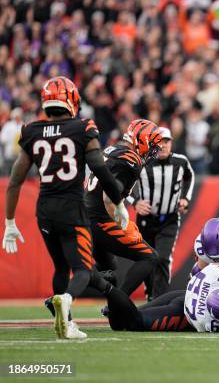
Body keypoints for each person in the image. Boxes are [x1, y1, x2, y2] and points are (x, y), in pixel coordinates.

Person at [2, 76, 127, 339]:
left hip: (44, 210)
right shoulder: (83, 128)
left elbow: (14, 182)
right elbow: (101, 170)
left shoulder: (31, 131)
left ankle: (67, 323)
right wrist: (118, 202)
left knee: (60, 267)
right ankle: (67, 300)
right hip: (73, 209)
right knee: (82, 269)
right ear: (72, 101)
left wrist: (10, 222)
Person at [85, 119, 163, 298]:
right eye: (152, 145)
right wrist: (121, 223)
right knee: (149, 257)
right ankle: (119, 304)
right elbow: (109, 196)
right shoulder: (130, 158)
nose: (153, 151)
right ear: (142, 140)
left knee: (109, 271)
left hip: (87, 216)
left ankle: (68, 289)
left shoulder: (112, 149)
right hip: (101, 220)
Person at [129, 127, 194, 299]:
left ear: (171, 143)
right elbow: (125, 181)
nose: (163, 145)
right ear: (152, 144)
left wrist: (185, 198)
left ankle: (160, 299)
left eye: (166, 141)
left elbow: (189, 176)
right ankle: (151, 295)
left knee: (163, 259)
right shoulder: (142, 161)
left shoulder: (180, 162)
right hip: (145, 220)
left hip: (169, 219)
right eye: (159, 142)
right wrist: (135, 202)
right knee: (147, 259)